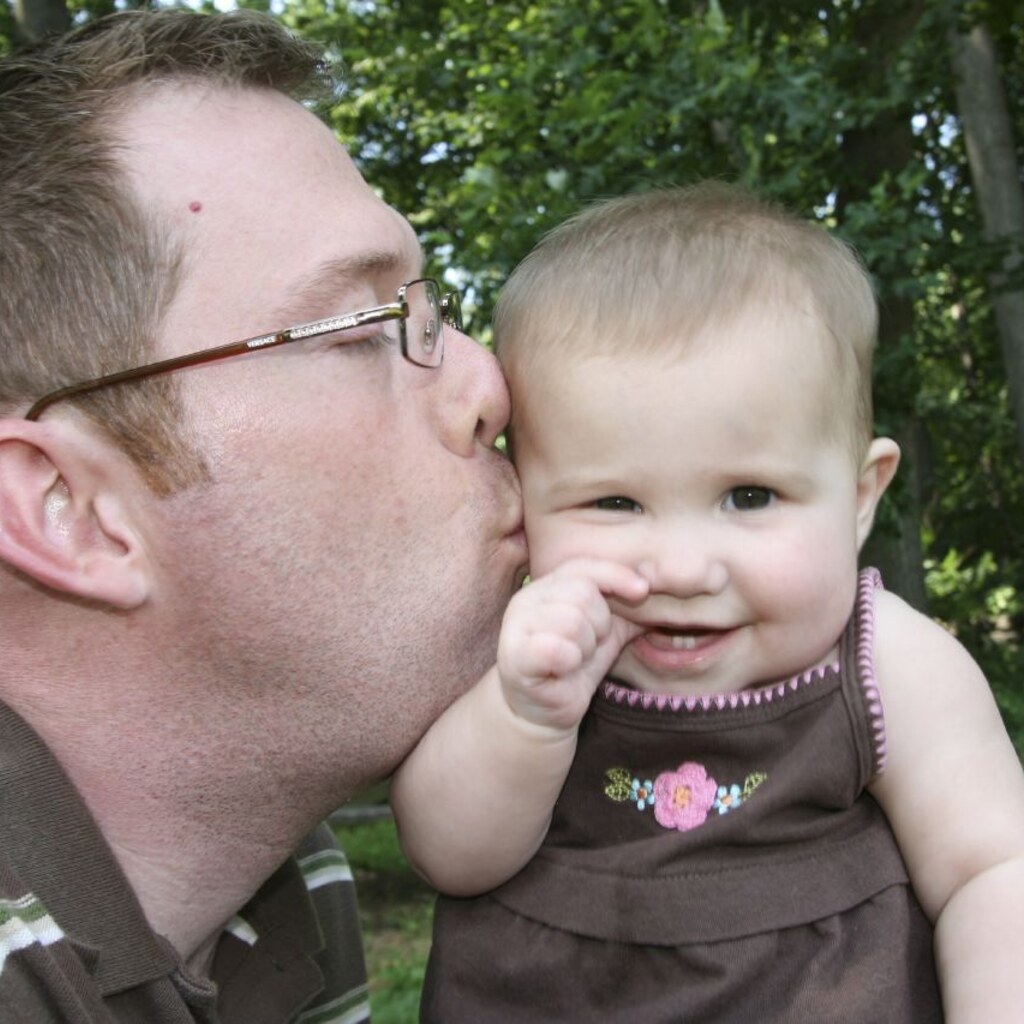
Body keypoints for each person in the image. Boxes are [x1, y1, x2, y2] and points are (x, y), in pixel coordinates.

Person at [0, 9, 526, 1022]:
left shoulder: (276, 888)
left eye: (431, 310)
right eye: (364, 327)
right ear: (69, 511)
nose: (488, 384)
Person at [391, 183, 1024, 1022]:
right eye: (614, 504)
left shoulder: (888, 665)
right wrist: (526, 716)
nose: (684, 568)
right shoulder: (534, 651)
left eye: (750, 497)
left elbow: (993, 870)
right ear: (522, 498)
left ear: (861, 496)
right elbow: (449, 857)